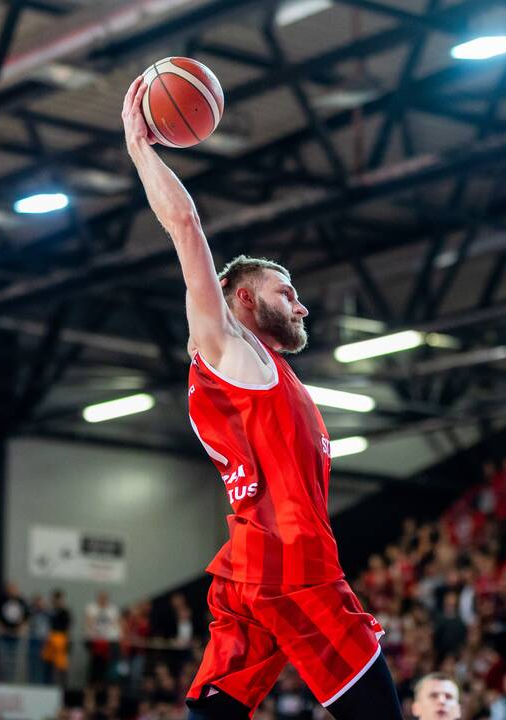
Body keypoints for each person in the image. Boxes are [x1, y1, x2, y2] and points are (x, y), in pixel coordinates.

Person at [122, 76, 401, 720]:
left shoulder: (266, 368)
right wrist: (141, 147)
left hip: (249, 572)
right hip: (294, 565)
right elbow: (186, 226)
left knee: (213, 714)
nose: (300, 303)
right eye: (285, 291)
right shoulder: (231, 349)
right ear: (243, 299)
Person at [0, 581, 28, 682]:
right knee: (2, 659)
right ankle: (1, 680)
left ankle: (10, 680)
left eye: (14, 589)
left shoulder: (21, 601)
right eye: (10, 589)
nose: (12, 591)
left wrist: (22, 627)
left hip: (15, 635)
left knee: (13, 660)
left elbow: (27, 617)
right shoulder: (1, 600)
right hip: (4, 634)